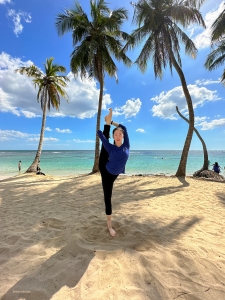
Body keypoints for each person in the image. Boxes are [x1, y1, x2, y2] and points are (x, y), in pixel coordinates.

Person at [97, 108, 130, 237]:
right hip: (105, 171)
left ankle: (107, 120)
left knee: (107, 138)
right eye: (115, 134)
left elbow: (124, 128)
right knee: (107, 198)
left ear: (122, 136)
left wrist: (112, 123)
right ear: (114, 136)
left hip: (114, 172)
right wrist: (104, 128)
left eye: (119, 134)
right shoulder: (111, 146)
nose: (117, 136)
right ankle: (109, 227)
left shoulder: (126, 144)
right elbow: (103, 138)